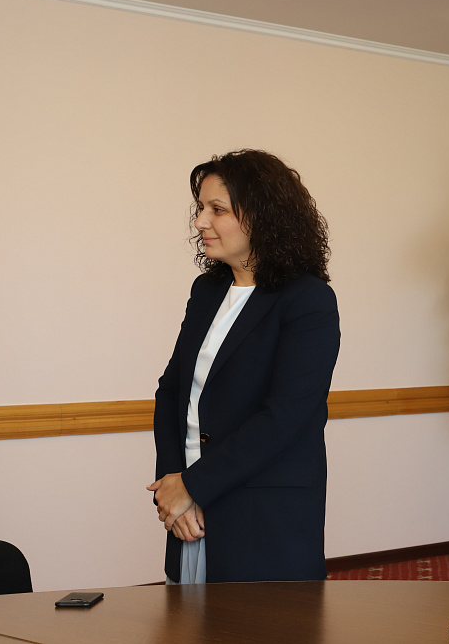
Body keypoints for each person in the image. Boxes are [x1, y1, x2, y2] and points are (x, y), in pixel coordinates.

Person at [147, 149, 340, 583]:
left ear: (263, 216)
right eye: (200, 208)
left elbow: (285, 417)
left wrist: (193, 485)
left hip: (262, 516)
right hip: (188, 513)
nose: (200, 221)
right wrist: (171, 485)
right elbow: (171, 392)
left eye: (217, 209)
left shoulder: (308, 301)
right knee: (184, 618)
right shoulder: (207, 291)